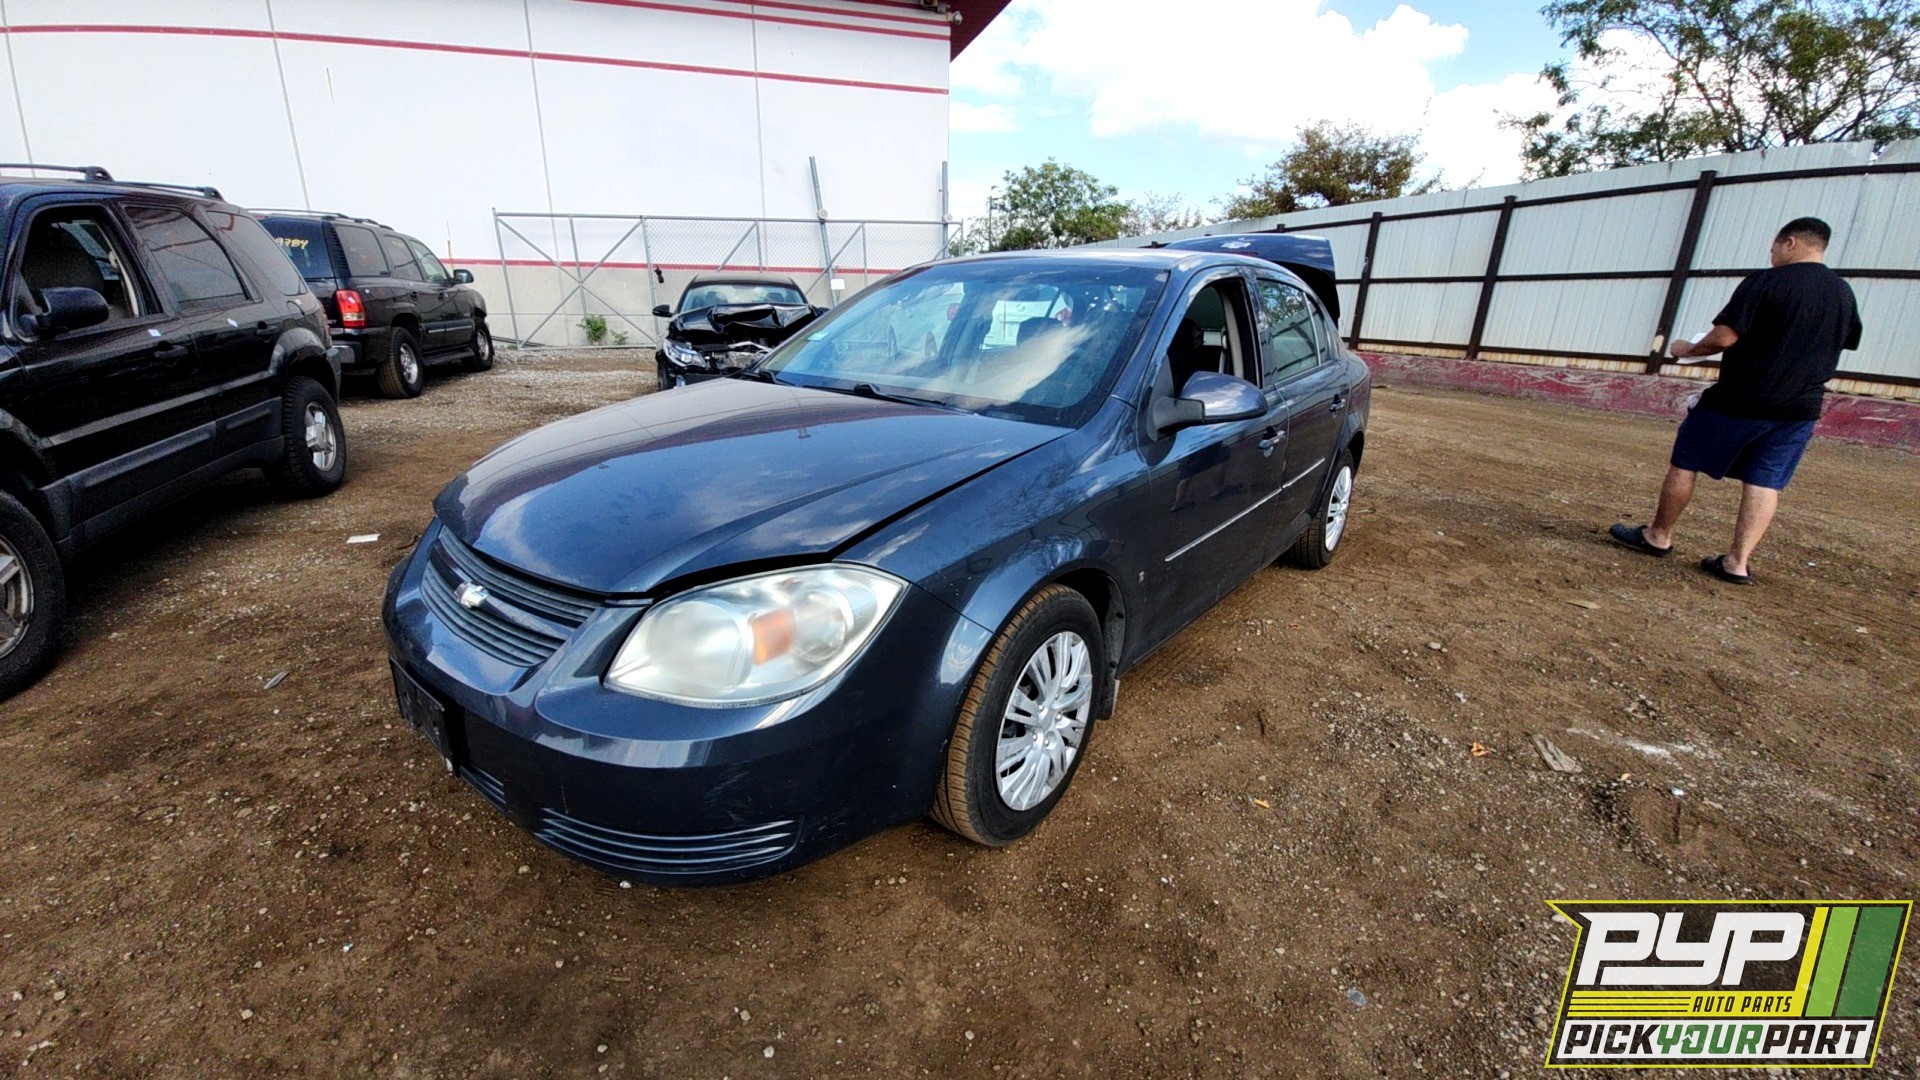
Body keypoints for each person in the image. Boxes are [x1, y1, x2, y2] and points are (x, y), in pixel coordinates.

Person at [1609, 217, 1863, 585]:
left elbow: (1724, 338)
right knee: (1765, 481)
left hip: (1741, 397)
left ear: (1790, 242)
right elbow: (1844, 340)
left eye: (1774, 246)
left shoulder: (1766, 281)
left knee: (1686, 462)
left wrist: (1688, 349)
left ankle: (1658, 536)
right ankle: (1737, 563)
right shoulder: (1843, 294)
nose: (1771, 253)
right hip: (1800, 408)